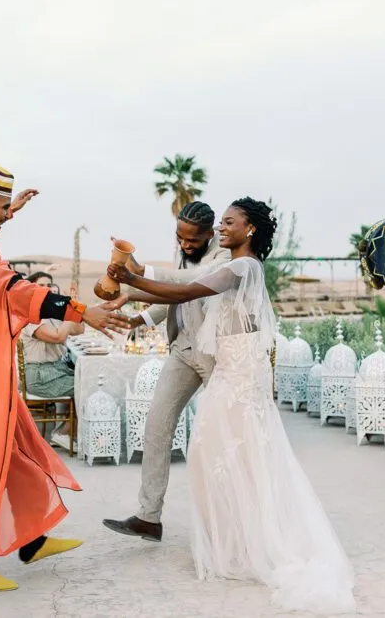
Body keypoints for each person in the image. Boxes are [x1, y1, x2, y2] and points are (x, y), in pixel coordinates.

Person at [107, 198, 356, 615]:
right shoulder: (237, 264)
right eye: (221, 222)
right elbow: (183, 289)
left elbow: (187, 287)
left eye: (229, 222)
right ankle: (225, 536)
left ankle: (250, 542)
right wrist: (136, 294)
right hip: (230, 370)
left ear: (249, 229)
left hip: (236, 373)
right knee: (217, 454)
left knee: (232, 454)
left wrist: (132, 281)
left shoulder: (241, 265)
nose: (223, 227)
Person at [0, 162, 128, 591]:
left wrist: (8, 209)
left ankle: (30, 541)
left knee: (16, 450)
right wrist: (82, 311)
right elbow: (13, 288)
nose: (1, 220)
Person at [102, 201, 229, 542]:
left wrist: (137, 275)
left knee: (224, 436)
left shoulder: (224, 255)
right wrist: (138, 318)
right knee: (157, 425)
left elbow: (190, 281)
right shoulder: (182, 246)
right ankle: (149, 517)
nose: (185, 245)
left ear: (209, 233)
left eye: (192, 240)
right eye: (180, 238)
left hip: (215, 354)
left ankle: (231, 517)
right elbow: (174, 296)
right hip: (182, 349)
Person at [20, 271, 83, 450]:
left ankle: (66, 429)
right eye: (42, 285)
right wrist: (69, 314)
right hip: (40, 376)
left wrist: (74, 307)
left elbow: (79, 331)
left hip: (53, 371)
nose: (47, 288)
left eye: (49, 285)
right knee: (86, 387)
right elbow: (58, 337)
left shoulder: (47, 313)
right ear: (31, 289)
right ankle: (63, 433)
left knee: (86, 381)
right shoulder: (31, 316)